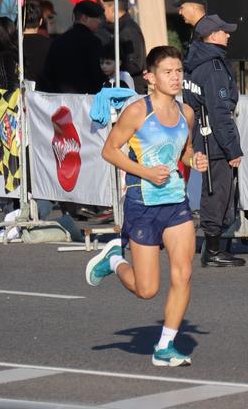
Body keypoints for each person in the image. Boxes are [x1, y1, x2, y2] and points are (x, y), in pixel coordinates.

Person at [85, 46, 207, 365]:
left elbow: (184, 150)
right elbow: (110, 151)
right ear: (150, 77)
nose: (176, 77)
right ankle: (114, 260)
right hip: (143, 200)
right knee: (147, 289)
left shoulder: (186, 113)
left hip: (175, 201)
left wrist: (194, 158)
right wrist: (145, 172)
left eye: (179, 70)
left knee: (183, 273)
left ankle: (164, 346)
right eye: (168, 71)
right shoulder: (138, 112)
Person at [183, 14, 245, 268]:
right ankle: (214, 249)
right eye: (224, 31)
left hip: (201, 134)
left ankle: (213, 245)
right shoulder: (214, 67)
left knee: (213, 191)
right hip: (215, 140)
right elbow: (219, 110)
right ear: (212, 35)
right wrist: (232, 148)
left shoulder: (194, 62)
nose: (228, 35)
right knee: (217, 192)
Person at [39, 0, 108, 94]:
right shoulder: (93, 42)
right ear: (84, 18)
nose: (99, 22)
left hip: (59, 99)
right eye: (96, 18)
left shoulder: (58, 40)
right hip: (85, 100)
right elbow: (96, 74)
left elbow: (48, 73)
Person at [100, 0, 147, 94]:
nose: (103, 12)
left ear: (113, 8)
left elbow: (135, 64)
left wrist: (112, 67)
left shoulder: (128, 30)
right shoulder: (116, 28)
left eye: (104, 8)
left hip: (130, 90)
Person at [21, 1, 52, 85]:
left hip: (16, 93)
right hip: (43, 93)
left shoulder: (12, 42)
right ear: (41, 21)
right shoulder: (50, 44)